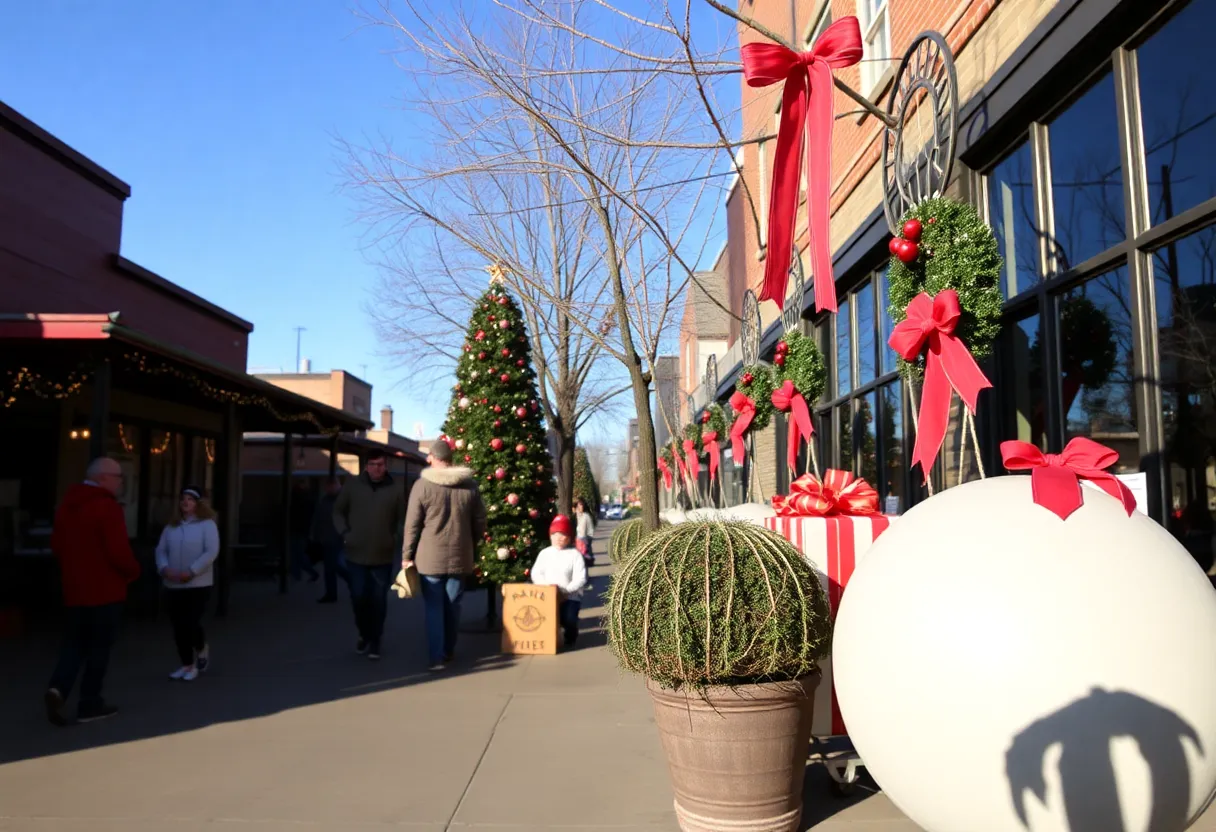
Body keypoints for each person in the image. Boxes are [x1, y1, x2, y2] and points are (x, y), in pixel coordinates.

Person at [45, 457, 141, 725]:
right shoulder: (107, 507)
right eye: (118, 476)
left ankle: (58, 688)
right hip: (105, 591)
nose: (121, 482)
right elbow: (119, 552)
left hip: (75, 591)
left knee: (74, 645)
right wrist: (133, 572)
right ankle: (90, 703)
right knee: (99, 648)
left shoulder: (67, 506)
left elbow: (57, 546)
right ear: (102, 478)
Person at [401, 440, 486, 671]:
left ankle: (437, 657)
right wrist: (472, 542)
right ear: (450, 458)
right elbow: (480, 520)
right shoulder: (469, 485)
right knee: (453, 605)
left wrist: (407, 555)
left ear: (432, 457)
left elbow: (412, 525)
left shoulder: (422, 486)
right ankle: (449, 649)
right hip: (460, 554)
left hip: (430, 558)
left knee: (434, 608)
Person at [333, 451, 405, 660]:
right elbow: (338, 511)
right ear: (366, 466)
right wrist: (345, 533)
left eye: (380, 464)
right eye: (373, 464)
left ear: (386, 466)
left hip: (383, 556)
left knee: (378, 600)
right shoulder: (353, 486)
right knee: (358, 597)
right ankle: (363, 633)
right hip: (355, 554)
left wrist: (395, 538)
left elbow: (402, 519)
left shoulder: (395, 489)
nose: (377, 468)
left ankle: (375, 640)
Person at [155, 486, 220, 682]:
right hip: (173, 583)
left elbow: (211, 551)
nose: (185, 502)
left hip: (198, 584)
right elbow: (161, 550)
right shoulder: (171, 527)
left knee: (190, 622)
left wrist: (192, 571)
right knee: (178, 625)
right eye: (183, 498)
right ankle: (186, 664)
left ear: (198, 504)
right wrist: (164, 568)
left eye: (190, 499)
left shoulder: (207, 525)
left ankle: (200, 649)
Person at [531, 515, 588, 648]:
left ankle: (570, 636)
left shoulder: (575, 555)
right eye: (555, 534)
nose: (558, 538)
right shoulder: (545, 553)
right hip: (548, 595)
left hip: (570, 596)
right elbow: (536, 573)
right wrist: (547, 587)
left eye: (563, 534)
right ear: (550, 536)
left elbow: (581, 578)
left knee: (568, 619)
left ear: (568, 537)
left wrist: (566, 590)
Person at [311, 476, 347, 603]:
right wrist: (316, 535)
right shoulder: (325, 500)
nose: (328, 488)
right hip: (327, 538)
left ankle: (355, 584)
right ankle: (331, 593)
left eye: (331, 486)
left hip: (338, 538)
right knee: (329, 567)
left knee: (336, 565)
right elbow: (318, 518)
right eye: (328, 486)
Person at [289, 480, 319, 583]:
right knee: (298, 554)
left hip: (297, 529)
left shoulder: (296, 498)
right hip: (302, 530)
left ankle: (298, 575)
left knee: (296, 554)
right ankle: (300, 574)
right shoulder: (308, 499)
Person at [574, 497, 596, 567]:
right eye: (579, 505)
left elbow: (590, 529)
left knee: (585, 559)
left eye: (582, 505)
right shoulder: (574, 516)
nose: (581, 507)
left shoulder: (586, 516)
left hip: (584, 539)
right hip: (576, 540)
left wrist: (589, 539)